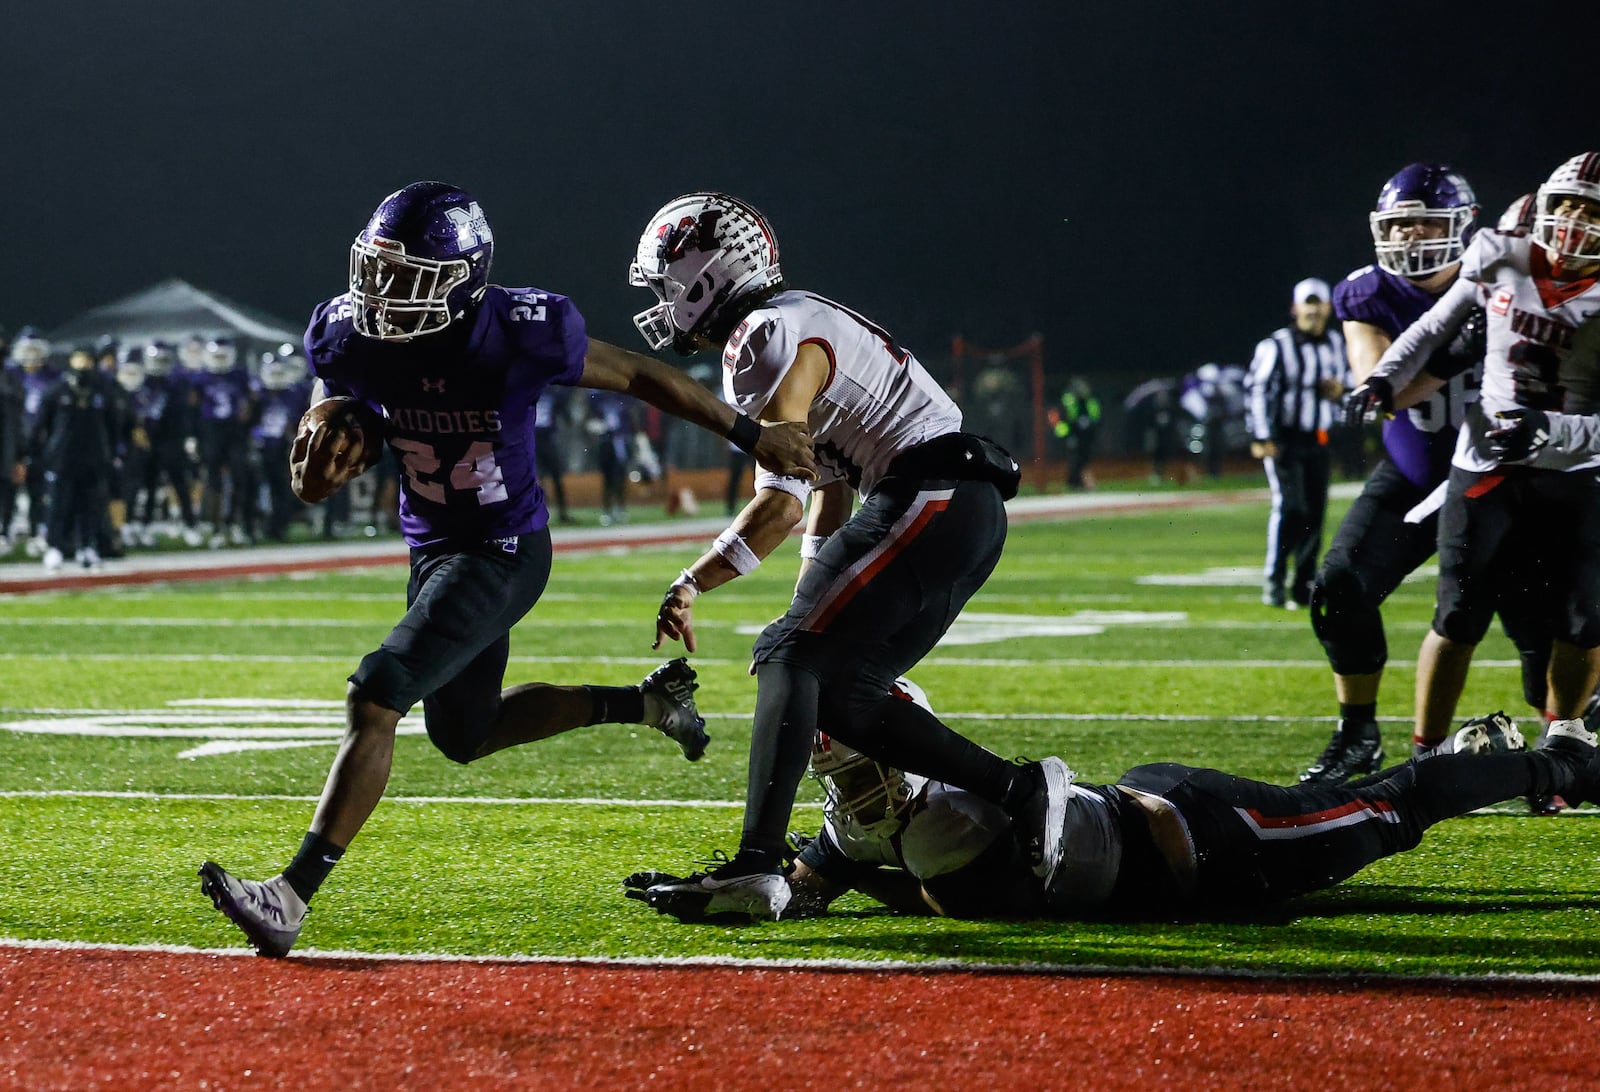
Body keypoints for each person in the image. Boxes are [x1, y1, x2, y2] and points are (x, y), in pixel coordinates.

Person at [198, 181, 817, 958]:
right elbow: (334, 400)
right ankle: (648, 706)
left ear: (464, 280)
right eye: (379, 271)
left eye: (409, 277)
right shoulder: (347, 332)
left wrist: (750, 433)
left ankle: (290, 895)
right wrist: (327, 433)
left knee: (377, 691)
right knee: (466, 733)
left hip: (502, 549)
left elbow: (635, 374)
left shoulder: (520, 330)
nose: (385, 294)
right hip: (432, 548)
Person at [623, 191, 1073, 922]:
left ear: (704, 276)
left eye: (665, 284)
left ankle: (756, 868)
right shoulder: (791, 317)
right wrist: (805, 604)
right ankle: (1019, 792)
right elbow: (822, 494)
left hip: (930, 492)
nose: (661, 302)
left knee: (789, 657)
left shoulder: (761, 337)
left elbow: (781, 502)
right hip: (958, 506)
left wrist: (694, 580)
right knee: (843, 694)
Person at [629, 681, 1597, 921]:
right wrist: (729, 889)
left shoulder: (950, 824)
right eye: (837, 773)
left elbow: (937, 894)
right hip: (1163, 822)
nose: (849, 787)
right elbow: (818, 874)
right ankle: (1493, 752)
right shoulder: (887, 811)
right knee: (1352, 804)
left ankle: (1564, 762)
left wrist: (838, 876)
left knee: (1392, 809)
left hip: (1212, 844)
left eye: (859, 766)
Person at [1344, 152, 1600, 765]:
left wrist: (1549, 430)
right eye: (1564, 203)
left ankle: (1560, 749)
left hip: (1576, 470)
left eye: (1590, 210)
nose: (1572, 220)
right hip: (1486, 463)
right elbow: (1432, 329)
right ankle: (1426, 756)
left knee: (1582, 621)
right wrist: (1382, 379)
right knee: (1457, 613)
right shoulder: (1501, 255)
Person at [1300, 164, 1486, 783]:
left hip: (1500, 482)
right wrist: (1461, 352)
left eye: (1425, 221)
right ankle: (1358, 735)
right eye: (1400, 223)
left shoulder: (1506, 279)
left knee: (1540, 618)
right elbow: (1378, 386)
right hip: (1412, 475)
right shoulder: (1366, 292)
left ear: (1462, 226)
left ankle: (1562, 751)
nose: (1410, 236)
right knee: (1337, 590)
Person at [1245, 278, 1350, 608]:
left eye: (1319, 303)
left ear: (1329, 308)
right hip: (1284, 441)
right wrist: (1262, 436)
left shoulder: (1335, 342)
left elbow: (1348, 382)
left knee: (1315, 515)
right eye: (1308, 302)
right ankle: (1275, 580)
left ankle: (1303, 585)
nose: (1314, 310)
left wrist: (1340, 390)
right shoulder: (1275, 346)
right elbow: (1257, 390)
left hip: (1318, 439)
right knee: (1291, 509)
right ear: (1295, 308)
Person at [31, 348, 118, 570]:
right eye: (79, 359)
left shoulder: (101, 392)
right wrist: (44, 454)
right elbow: (42, 426)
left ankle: (87, 547)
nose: (83, 365)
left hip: (92, 459)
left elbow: (112, 426)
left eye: (87, 360)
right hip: (63, 459)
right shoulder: (57, 391)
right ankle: (55, 548)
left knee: (90, 506)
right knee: (59, 505)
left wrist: (110, 454)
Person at [1049, 377, 1102, 490]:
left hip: (1086, 436)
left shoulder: (1090, 401)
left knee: (1083, 459)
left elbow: (1096, 418)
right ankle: (1074, 483)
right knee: (1076, 459)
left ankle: (1079, 482)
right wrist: (1066, 434)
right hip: (1071, 434)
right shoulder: (1068, 400)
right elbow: (1059, 417)